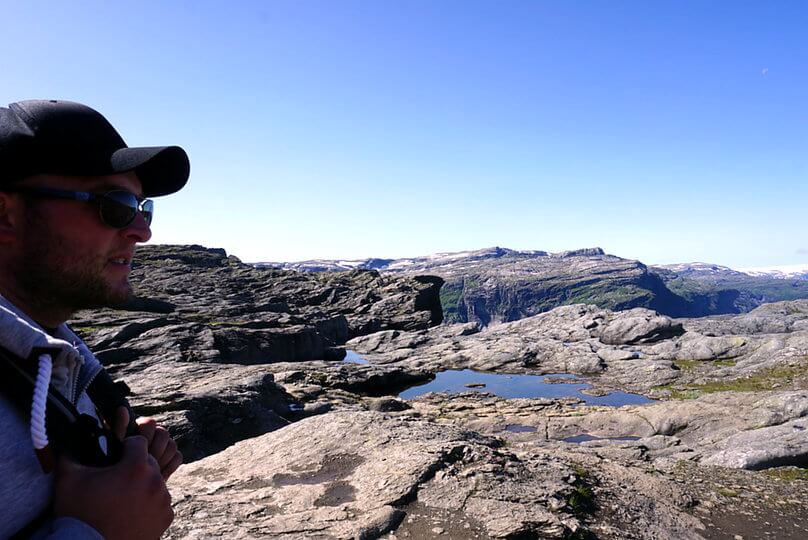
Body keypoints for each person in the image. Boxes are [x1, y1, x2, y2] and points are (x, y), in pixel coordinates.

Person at [0, 100, 190, 539]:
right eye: (116, 206)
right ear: (5, 214)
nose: (142, 231)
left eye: (144, 209)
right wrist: (97, 531)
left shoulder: (58, 356)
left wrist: (117, 463)